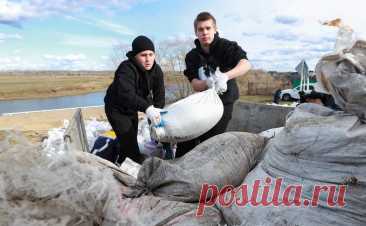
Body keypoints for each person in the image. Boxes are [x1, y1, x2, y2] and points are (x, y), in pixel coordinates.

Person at [176, 12, 252, 157]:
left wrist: (225, 76)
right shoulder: (191, 56)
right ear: (196, 32)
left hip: (224, 102)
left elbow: (246, 64)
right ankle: (178, 170)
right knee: (185, 138)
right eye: (200, 29)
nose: (204, 32)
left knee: (210, 143)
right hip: (203, 103)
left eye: (208, 28)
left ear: (215, 29)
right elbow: (195, 85)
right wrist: (207, 83)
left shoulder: (227, 47)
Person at [104, 35, 165, 164]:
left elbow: (159, 96)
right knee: (128, 141)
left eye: (151, 54)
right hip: (116, 107)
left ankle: (123, 157)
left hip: (132, 106)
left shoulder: (157, 71)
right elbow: (126, 94)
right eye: (143, 55)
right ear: (135, 56)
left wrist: (157, 119)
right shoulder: (126, 68)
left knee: (130, 138)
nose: (148, 59)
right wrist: (147, 108)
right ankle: (130, 166)